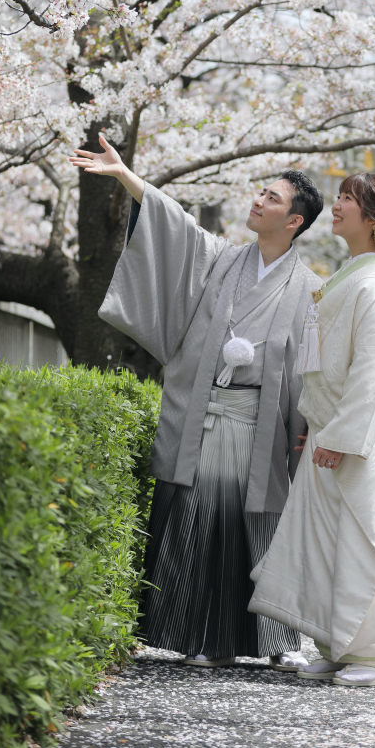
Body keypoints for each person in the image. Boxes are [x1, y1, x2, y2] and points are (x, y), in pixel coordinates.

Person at [69, 133, 323, 669]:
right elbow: (173, 225)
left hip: (260, 427)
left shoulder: (310, 290)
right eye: (260, 192)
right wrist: (124, 176)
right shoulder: (221, 260)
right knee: (198, 521)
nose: (257, 200)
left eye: (272, 199)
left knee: (255, 527)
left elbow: (310, 371)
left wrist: (306, 432)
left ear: (295, 221)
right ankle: (197, 638)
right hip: (207, 417)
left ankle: (274, 642)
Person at [248, 172, 375, 688]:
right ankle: (335, 642)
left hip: (362, 440)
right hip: (333, 431)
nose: (338, 206)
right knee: (325, 542)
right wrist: (318, 424)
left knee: (368, 539)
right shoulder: (356, 277)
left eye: (348, 199)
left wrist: (343, 436)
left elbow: (372, 372)